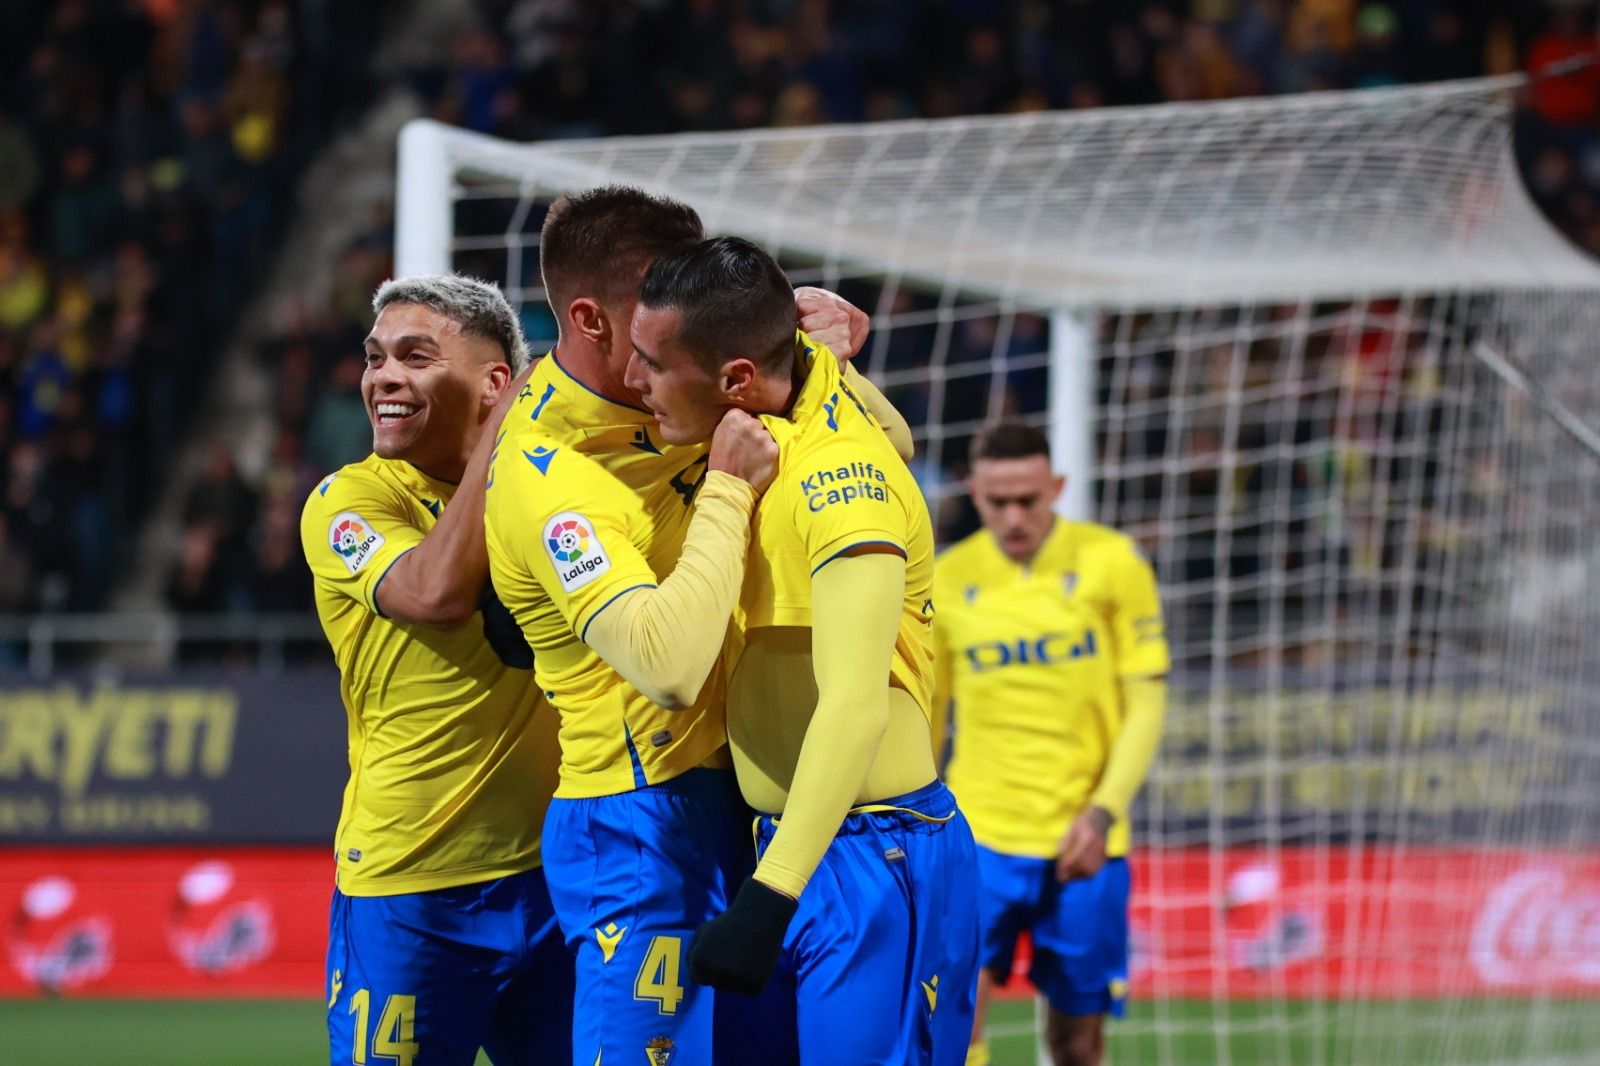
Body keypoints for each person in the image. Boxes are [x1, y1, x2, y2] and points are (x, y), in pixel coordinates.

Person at [490, 183, 904, 1065]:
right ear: (594, 320)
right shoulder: (547, 465)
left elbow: (887, 454)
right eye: (656, 293)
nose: (679, 304)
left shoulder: (697, 385)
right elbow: (668, 667)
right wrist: (725, 487)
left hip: (750, 800)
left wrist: (816, 364)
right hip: (640, 817)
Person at [626, 235, 981, 1065]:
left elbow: (854, 708)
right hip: (778, 843)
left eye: (653, 363)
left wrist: (769, 898)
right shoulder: (773, 425)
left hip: (871, 853)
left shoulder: (842, 479)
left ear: (735, 380)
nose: (634, 380)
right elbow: (877, 420)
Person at [299, 275, 570, 1066]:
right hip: (410, 887)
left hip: (557, 877)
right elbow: (433, 594)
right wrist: (509, 434)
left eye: (415, 357)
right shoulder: (347, 501)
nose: (383, 376)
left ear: (494, 382)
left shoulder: (556, 488)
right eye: (375, 357)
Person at [929, 422, 1170, 1066]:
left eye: (1028, 500)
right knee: (953, 1030)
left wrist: (1104, 811)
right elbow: (930, 716)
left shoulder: (1113, 562)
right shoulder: (946, 578)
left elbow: (1147, 700)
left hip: (1085, 839)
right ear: (973, 493)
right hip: (979, 839)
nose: (1014, 517)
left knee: (1076, 1044)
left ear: (1057, 488)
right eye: (997, 501)